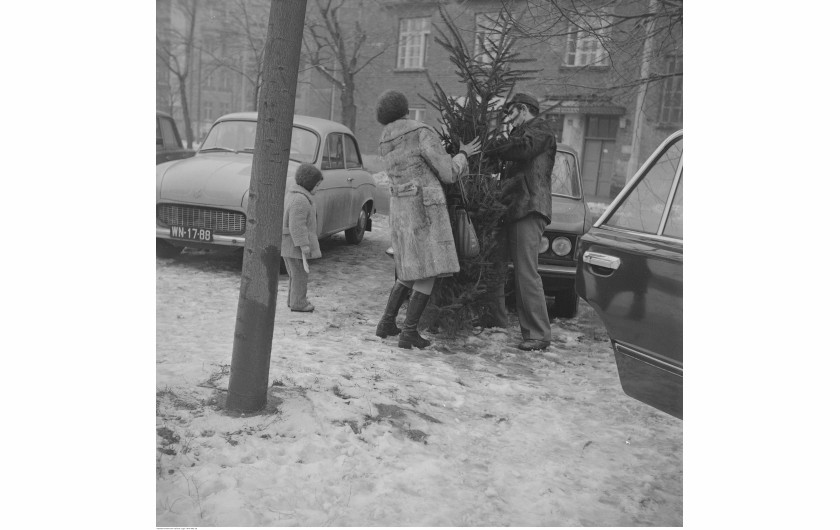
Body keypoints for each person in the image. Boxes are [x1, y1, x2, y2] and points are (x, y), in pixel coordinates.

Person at [374, 90, 481, 349]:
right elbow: (447, 173)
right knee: (429, 269)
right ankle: (409, 332)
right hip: (425, 208)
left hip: (402, 208)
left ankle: (387, 322)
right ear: (405, 108)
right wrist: (463, 155)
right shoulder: (420, 131)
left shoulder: (384, 139)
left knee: (410, 268)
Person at [485, 93, 556, 351]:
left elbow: (522, 150)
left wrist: (495, 144)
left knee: (527, 273)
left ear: (524, 109)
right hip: (515, 207)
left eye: (511, 113)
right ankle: (497, 321)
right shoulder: (522, 133)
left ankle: (538, 334)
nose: (509, 119)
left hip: (530, 208)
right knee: (499, 267)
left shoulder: (540, 129)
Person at [280, 163, 323, 313]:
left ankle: (293, 300)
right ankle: (299, 303)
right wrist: (304, 245)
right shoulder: (301, 200)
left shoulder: (294, 195)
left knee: (294, 274)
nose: (318, 189)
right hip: (294, 246)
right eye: (317, 185)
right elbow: (297, 226)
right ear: (309, 183)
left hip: (288, 244)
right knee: (300, 275)